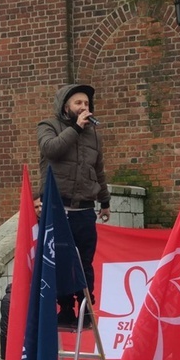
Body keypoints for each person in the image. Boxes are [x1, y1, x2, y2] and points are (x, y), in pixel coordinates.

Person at [38, 83, 110, 328]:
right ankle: (65, 308)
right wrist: (76, 129)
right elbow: (51, 150)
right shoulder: (48, 126)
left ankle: (86, 307)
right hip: (58, 209)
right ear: (65, 106)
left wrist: (105, 201)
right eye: (78, 103)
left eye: (86, 104)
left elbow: (98, 170)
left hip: (85, 209)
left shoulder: (94, 135)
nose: (83, 107)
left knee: (85, 262)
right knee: (60, 261)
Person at [0, 194, 41, 360]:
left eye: (41, 206)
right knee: (8, 304)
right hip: (26, 284)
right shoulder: (27, 231)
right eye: (35, 207)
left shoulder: (53, 228)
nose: (39, 210)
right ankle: (11, 358)